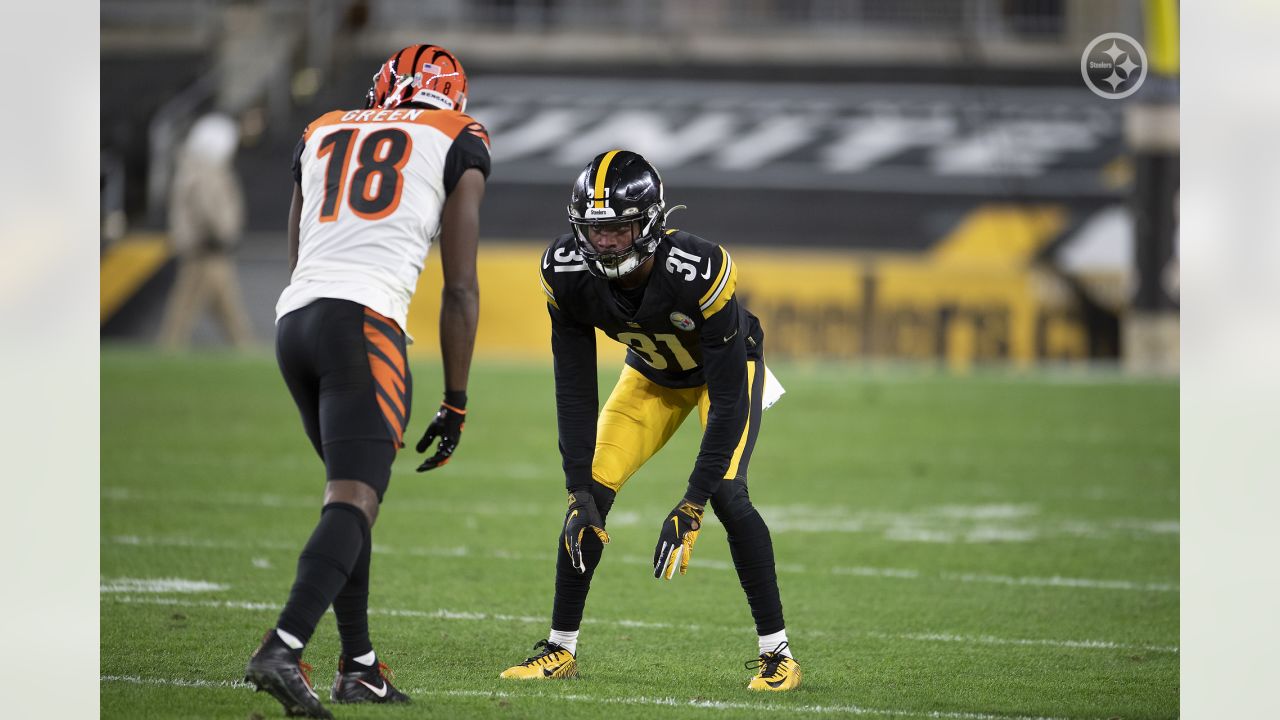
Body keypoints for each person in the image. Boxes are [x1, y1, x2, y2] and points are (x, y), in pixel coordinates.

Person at [243, 44, 489, 719]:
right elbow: (461, 287)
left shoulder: (321, 126)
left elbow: (299, 244)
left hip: (296, 320)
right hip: (365, 321)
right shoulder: (456, 135)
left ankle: (358, 667)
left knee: (350, 496)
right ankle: (284, 646)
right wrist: (456, 399)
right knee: (355, 497)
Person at [500, 150, 801, 691]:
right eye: (595, 230)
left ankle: (778, 653)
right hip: (651, 378)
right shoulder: (565, 272)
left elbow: (730, 399)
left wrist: (692, 503)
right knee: (590, 497)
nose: (607, 242)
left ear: (651, 222)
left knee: (729, 496)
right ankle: (560, 647)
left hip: (723, 378)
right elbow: (573, 385)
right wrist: (575, 489)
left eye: (619, 228)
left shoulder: (698, 268)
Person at [158, 112, 254, 350]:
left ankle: (245, 349)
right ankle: (169, 351)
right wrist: (223, 231)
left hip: (206, 250)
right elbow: (209, 210)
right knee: (186, 310)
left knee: (226, 309)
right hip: (206, 249)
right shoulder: (205, 172)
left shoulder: (190, 168)